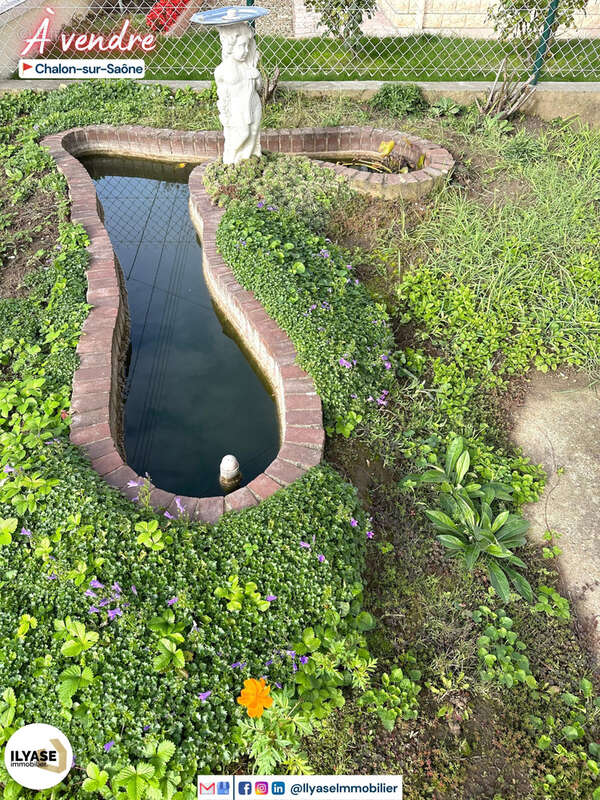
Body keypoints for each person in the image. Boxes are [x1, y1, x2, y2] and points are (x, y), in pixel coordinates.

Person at [214, 22, 263, 164]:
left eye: (248, 46)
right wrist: (224, 113)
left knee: (254, 132)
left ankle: (250, 159)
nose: (246, 50)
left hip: (254, 104)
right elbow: (222, 95)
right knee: (243, 134)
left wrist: (257, 76)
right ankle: (232, 159)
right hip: (237, 108)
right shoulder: (222, 70)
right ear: (230, 46)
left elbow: (258, 87)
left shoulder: (248, 66)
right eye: (242, 46)